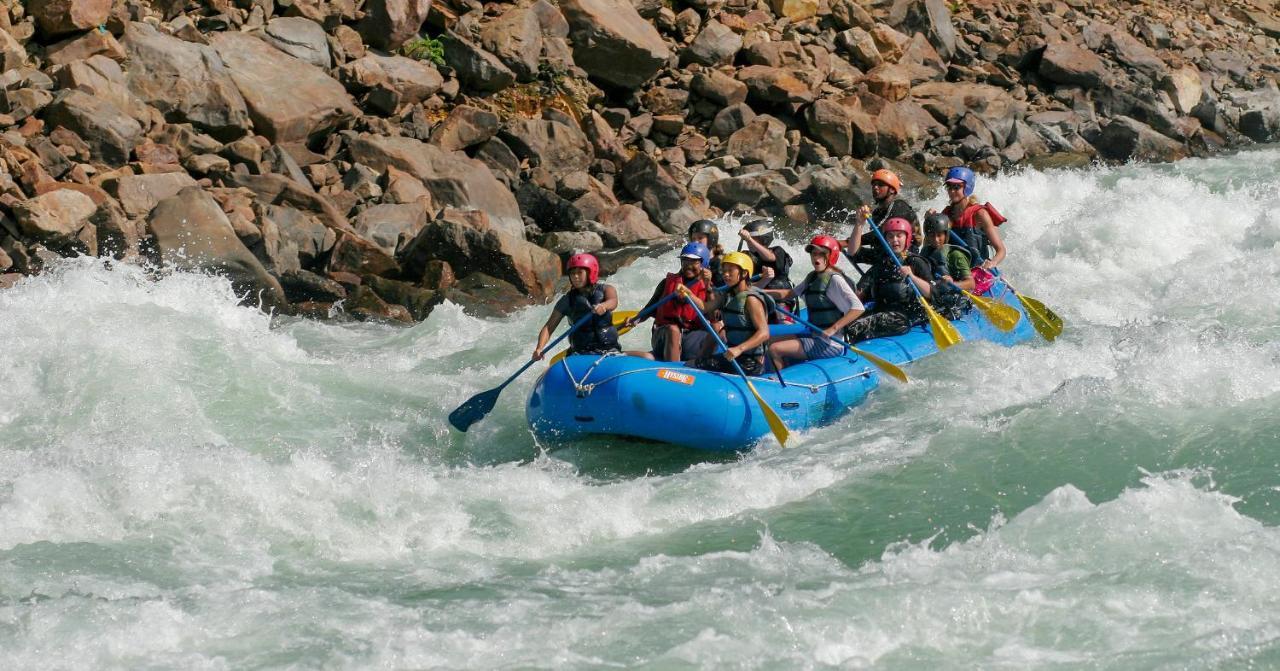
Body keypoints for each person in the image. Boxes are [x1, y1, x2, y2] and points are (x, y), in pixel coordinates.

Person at [763, 235, 865, 366]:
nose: (816, 258)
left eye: (821, 254)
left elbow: (858, 308)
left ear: (831, 256)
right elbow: (789, 293)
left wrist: (833, 329)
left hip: (831, 343)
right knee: (770, 341)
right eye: (814, 254)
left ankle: (781, 381)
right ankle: (788, 368)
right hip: (813, 335)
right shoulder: (812, 276)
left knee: (775, 349)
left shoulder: (835, 279)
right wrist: (760, 292)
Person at [679, 251, 773, 377]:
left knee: (693, 366)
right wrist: (689, 294)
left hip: (751, 363)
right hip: (734, 358)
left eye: (730, 271)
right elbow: (705, 307)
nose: (726, 275)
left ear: (744, 273)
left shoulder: (751, 300)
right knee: (692, 364)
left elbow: (764, 333)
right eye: (724, 270)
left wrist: (739, 349)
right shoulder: (727, 296)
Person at [845, 218, 935, 343]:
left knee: (856, 328)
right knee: (847, 324)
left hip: (905, 317)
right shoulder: (881, 258)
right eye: (891, 236)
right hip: (882, 311)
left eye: (899, 236)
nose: (895, 240)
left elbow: (931, 293)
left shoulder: (915, 262)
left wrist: (912, 276)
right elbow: (853, 252)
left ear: (907, 238)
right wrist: (859, 224)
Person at [624, 242, 713, 362]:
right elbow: (650, 308)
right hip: (664, 335)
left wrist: (708, 288)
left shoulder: (708, 287)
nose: (688, 266)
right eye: (685, 261)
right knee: (673, 330)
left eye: (694, 262)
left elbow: (714, 316)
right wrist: (635, 319)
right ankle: (673, 372)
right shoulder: (667, 283)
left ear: (704, 264)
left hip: (691, 337)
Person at [532, 253, 620, 361]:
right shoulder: (566, 300)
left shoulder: (607, 289)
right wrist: (539, 348)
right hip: (580, 353)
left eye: (579, 272)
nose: (575, 277)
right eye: (572, 273)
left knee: (644, 357)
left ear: (590, 272)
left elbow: (613, 301)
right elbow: (549, 327)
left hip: (609, 350)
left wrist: (604, 306)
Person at [844, 168, 921, 265]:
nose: (875, 188)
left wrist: (846, 242)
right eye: (874, 185)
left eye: (880, 185)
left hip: (905, 255)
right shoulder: (877, 212)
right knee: (853, 253)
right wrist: (852, 243)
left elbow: (882, 232)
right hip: (885, 251)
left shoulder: (900, 207)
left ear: (892, 190)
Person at [941, 166, 1006, 269]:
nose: (952, 191)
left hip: (977, 269)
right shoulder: (946, 214)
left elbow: (1001, 250)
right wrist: (932, 221)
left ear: (967, 188)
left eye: (957, 187)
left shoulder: (980, 214)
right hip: (954, 269)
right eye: (949, 186)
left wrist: (992, 263)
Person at [919, 212, 974, 320]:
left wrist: (952, 283)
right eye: (932, 235)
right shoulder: (925, 252)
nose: (936, 239)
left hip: (955, 298)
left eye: (939, 235)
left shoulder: (955, 255)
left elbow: (971, 284)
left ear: (946, 235)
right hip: (935, 295)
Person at [738, 217, 794, 314]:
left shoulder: (778, 251)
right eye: (746, 241)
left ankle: (786, 322)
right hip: (756, 301)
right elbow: (744, 285)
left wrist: (750, 239)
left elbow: (769, 257)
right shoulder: (746, 256)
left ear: (763, 239)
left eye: (754, 239)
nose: (748, 242)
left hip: (779, 302)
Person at [687, 219, 724, 288]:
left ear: (711, 239)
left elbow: (722, 291)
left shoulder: (718, 263)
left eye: (700, 238)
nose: (695, 242)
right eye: (693, 239)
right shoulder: (689, 260)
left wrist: (709, 281)